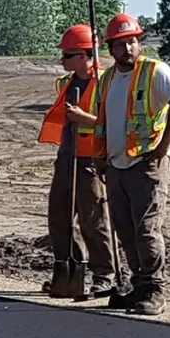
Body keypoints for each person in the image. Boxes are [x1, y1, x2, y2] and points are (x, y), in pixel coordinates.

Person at [99, 13, 170, 315]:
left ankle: (154, 290)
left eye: (133, 41)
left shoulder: (155, 71)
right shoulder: (108, 79)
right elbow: (104, 120)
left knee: (147, 228)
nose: (128, 48)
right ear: (111, 47)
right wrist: (101, 157)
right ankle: (139, 287)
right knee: (125, 230)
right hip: (116, 164)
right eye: (122, 43)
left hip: (147, 162)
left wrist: (164, 146)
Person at [37, 23, 118, 301]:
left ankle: (103, 276)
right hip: (66, 157)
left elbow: (114, 124)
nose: (62, 60)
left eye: (68, 55)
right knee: (59, 217)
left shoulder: (105, 82)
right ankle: (68, 270)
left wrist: (86, 119)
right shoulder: (66, 82)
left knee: (93, 220)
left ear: (85, 55)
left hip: (90, 158)